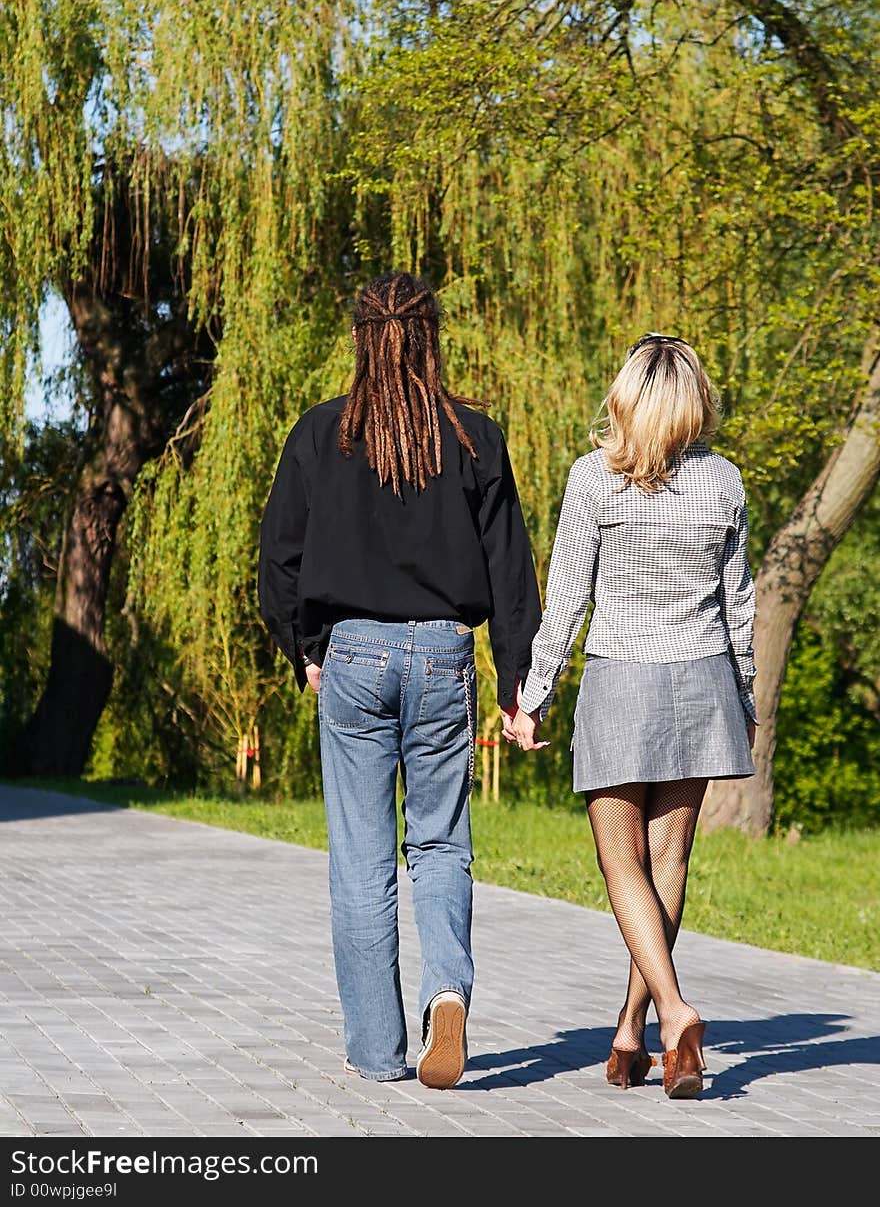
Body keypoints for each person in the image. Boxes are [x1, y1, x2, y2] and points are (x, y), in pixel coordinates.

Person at [258, 272, 541, 1088]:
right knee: (442, 840)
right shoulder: (477, 438)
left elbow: (280, 561)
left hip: (350, 656)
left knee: (360, 859)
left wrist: (303, 647)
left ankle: (377, 1052)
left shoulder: (319, 435)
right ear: (431, 338)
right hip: (446, 652)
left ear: (359, 338)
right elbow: (510, 570)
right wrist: (517, 684)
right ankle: (447, 992)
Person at [505, 333, 756, 1100]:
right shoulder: (725, 483)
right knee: (669, 863)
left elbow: (568, 601)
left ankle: (675, 1013)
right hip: (702, 682)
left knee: (622, 865)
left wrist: (533, 692)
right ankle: (630, 1029)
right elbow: (739, 606)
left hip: (621, 686)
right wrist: (744, 699)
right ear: (693, 403)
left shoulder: (592, 480)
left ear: (626, 398)